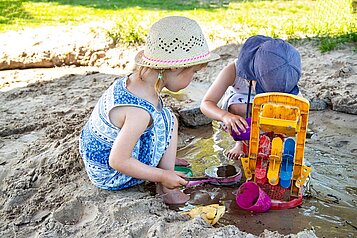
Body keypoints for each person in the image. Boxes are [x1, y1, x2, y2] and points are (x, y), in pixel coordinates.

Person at [79, 16, 219, 204]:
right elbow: (118, 161)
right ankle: (167, 188)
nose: (193, 78)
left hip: (99, 157)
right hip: (109, 173)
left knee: (168, 117)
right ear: (173, 68)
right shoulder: (139, 112)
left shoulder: (136, 84)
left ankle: (162, 164)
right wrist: (161, 175)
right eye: (193, 72)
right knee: (167, 120)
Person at [200, 35, 302, 160]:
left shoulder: (284, 75)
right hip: (242, 111)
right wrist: (225, 116)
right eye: (263, 89)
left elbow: (299, 108)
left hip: (268, 112)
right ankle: (241, 143)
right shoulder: (233, 71)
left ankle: (272, 141)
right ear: (250, 75)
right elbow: (206, 103)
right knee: (240, 107)